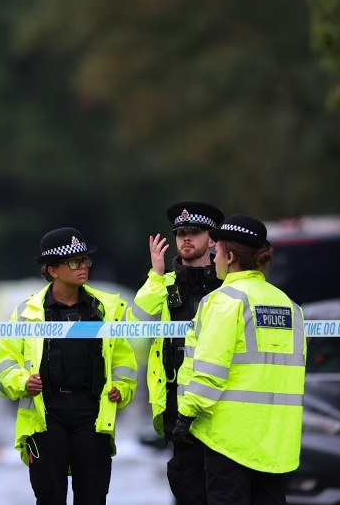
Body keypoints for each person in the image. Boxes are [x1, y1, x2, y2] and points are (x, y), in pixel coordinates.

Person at [0, 227, 138, 505]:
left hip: (93, 413)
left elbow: (123, 359)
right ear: (53, 270)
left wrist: (122, 388)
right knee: (49, 495)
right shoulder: (26, 313)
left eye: (86, 260)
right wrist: (23, 382)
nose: (83, 267)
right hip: (46, 413)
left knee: (93, 495)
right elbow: (6, 362)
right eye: (74, 262)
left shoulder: (106, 309)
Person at [174, 215, 305, 505]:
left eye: (216, 252)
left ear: (230, 257)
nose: (213, 258)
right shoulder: (290, 306)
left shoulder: (224, 301)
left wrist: (185, 416)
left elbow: (210, 371)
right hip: (275, 442)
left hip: (228, 441)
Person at [131, 201, 225, 505]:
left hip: (221, 405)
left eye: (194, 232)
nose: (186, 238)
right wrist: (155, 277)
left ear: (212, 240)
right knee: (185, 488)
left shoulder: (227, 285)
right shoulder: (164, 284)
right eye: (181, 232)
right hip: (177, 405)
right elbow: (135, 327)